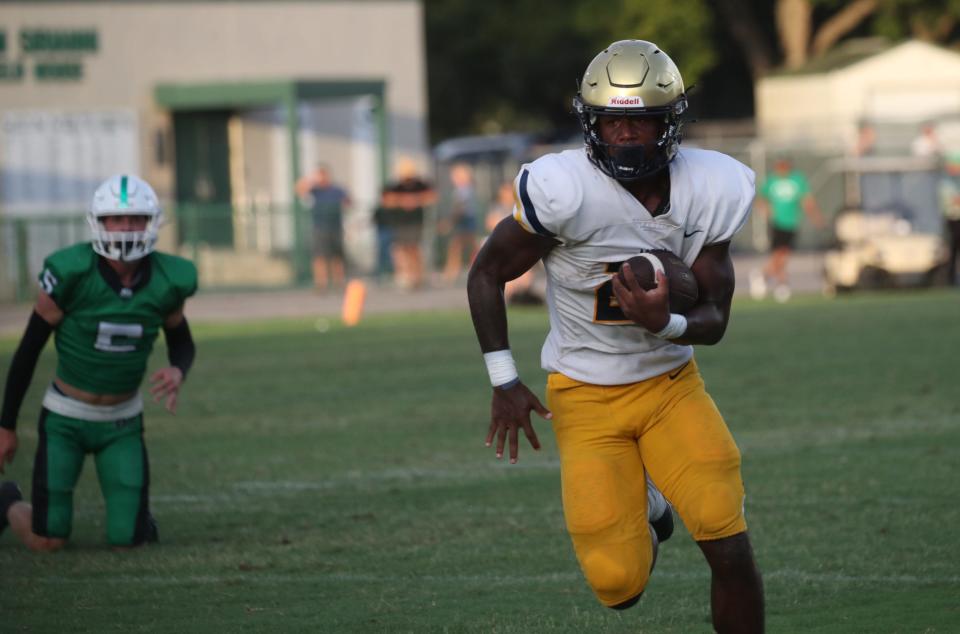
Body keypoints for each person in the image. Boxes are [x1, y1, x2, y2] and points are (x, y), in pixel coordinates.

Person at [467, 40, 764, 632]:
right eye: (612, 119)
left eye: (642, 119)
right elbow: (487, 272)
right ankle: (652, 507)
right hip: (583, 393)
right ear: (591, 122)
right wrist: (504, 379)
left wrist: (666, 323)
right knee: (617, 586)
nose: (626, 133)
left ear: (670, 122)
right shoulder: (562, 189)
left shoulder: (713, 188)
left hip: (670, 386)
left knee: (726, 541)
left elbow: (716, 320)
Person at [0, 174, 197, 551]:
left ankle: (137, 519)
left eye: (136, 218)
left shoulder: (169, 279)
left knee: (127, 542)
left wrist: (178, 369)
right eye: (116, 219)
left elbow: (182, 341)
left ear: (152, 222)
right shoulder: (72, 272)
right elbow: (28, 351)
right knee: (48, 541)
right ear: (99, 222)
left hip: (122, 421)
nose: (126, 227)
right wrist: (6, 424)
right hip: (65, 418)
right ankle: (8, 501)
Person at [751, 156, 825, 302]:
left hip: (792, 222)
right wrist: (767, 211)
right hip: (777, 222)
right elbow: (760, 199)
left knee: (783, 254)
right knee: (780, 254)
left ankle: (763, 275)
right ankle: (781, 283)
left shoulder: (798, 180)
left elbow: (807, 200)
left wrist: (816, 217)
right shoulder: (771, 181)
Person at [379, 157, 437, 289]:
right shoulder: (395, 186)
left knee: (414, 249)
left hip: (416, 222)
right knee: (401, 249)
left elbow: (432, 197)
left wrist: (416, 200)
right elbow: (386, 201)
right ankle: (405, 275)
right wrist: (403, 201)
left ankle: (418, 276)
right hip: (400, 223)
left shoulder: (420, 185)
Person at [296, 164, 350, 292]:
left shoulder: (337, 190)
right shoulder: (315, 190)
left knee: (337, 256)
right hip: (320, 227)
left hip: (336, 227)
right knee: (319, 256)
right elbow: (299, 189)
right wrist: (312, 180)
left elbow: (348, 202)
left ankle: (339, 283)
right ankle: (321, 284)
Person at [441, 163, 481, 284]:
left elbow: (460, 208)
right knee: (466, 247)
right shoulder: (465, 189)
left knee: (457, 247)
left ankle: (451, 273)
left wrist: (449, 222)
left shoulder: (463, 190)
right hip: (466, 219)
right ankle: (453, 272)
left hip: (465, 220)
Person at [940, 151, 960, 285]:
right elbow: (953, 200)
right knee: (952, 249)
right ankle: (950, 279)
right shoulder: (946, 182)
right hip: (953, 219)